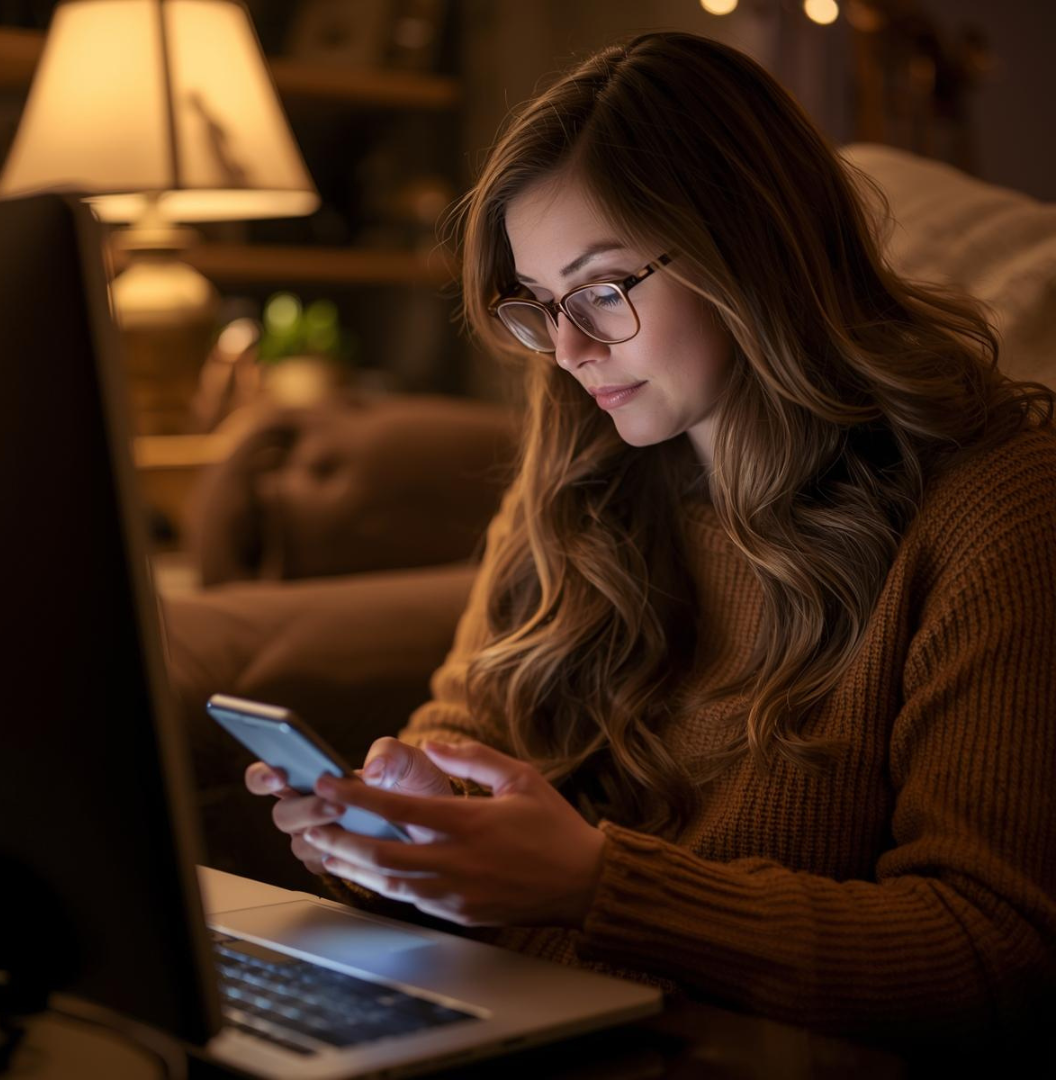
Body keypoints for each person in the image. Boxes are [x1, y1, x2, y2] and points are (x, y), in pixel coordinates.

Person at [244, 31, 1056, 1059]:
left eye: (604, 289)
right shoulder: (583, 469)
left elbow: (992, 953)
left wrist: (597, 886)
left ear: (749, 245)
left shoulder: (997, 505)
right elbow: (463, 730)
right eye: (541, 306)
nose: (572, 350)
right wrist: (395, 832)